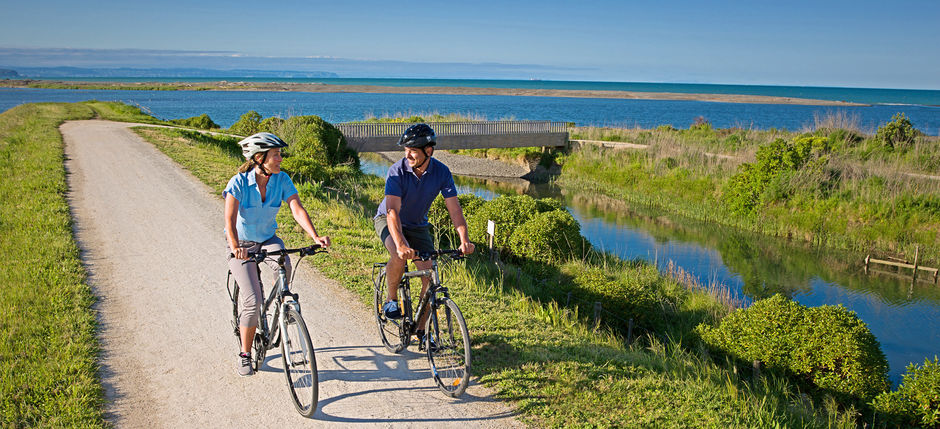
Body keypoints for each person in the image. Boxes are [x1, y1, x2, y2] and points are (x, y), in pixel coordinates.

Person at [224, 132, 330, 376]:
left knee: (284, 264)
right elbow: (229, 220)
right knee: (252, 301)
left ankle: (282, 304)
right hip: (241, 244)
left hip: (268, 240)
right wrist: (234, 246)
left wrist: (314, 236)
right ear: (259, 158)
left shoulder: (281, 179)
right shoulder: (239, 182)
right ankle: (245, 354)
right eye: (276, 155)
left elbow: (296, 208)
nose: (281, 158)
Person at [374, 124, 475, 346]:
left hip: (418, 225)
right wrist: (400, 243)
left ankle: (421, 329)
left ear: (428, 151)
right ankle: (391, 300)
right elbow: (392, 211)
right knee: (399, 255)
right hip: (388, 220)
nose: (407, 154)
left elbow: (455, 210)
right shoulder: (397, 171)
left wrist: (464, 239)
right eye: (405, 150)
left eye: (413, 150)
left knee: (429, 278)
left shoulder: (442, 172)